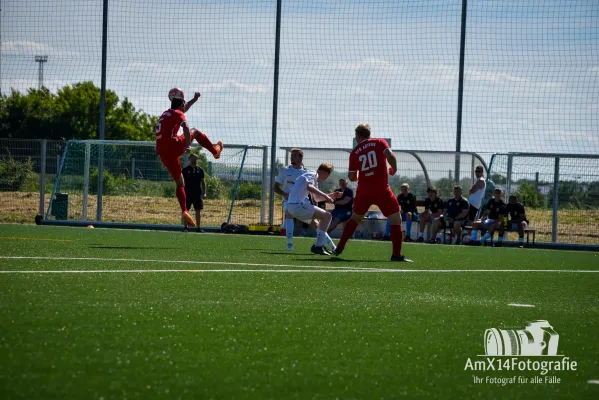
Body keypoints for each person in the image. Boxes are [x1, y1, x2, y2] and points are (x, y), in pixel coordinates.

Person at [333, 123, 412, 262]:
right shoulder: (380, 142)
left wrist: (361, 175)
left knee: (355, 219)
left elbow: (351, 177)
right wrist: (394, 168)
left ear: (357, 136)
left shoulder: (355, 152)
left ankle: (339, 247)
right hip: (382, 190)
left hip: (364, 191)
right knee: (396, 220)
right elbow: (391, 156)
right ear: (369, 134)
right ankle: (396, 255)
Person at [155, 88, 223, 227]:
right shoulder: (178, 113)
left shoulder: (166, 114)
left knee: (180, 183)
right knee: (195, 131)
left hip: (162, 152)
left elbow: (182, 110)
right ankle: (215, 151)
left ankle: (184, 211)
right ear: (181, 104)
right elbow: (185, 126)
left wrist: (194, 100)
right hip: (173, 146)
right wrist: (186, 144)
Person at [286, 163, 339, 255]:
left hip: (292, 208)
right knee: (327, 216)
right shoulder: (312, 174)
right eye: (327, 174)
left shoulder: (314, 179)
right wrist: (326, 196)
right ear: (324, 173)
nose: (326, 178)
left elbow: (316, 198)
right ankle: (318, 246)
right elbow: (309, 187)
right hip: (297, 205)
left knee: (318, 225)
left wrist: (332, 195)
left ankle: (327, 246)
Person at [273, 148, 308, 251]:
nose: (291, 158)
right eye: (291, 156)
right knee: (289, 212)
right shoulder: (285, 170)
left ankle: (324, 242)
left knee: (316, 220)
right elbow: (275, 187)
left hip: (303, 201)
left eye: (294, 156)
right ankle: (289, 243)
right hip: (288, 200)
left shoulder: (306, 172)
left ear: (301, 158)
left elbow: (310, 189)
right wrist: (285, 194)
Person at [182, 153, 206, 232]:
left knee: (198, 210)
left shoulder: (200, 170)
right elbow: (181, 182)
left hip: (197, 193)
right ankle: (185, 227)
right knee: (186, 210)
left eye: (195, 158)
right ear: (189, 159)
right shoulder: (185, 170)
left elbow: (203, 182)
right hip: (187, 193)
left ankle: (198, 228)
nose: (194, 160)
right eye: (192, 158)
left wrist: (204, 192)